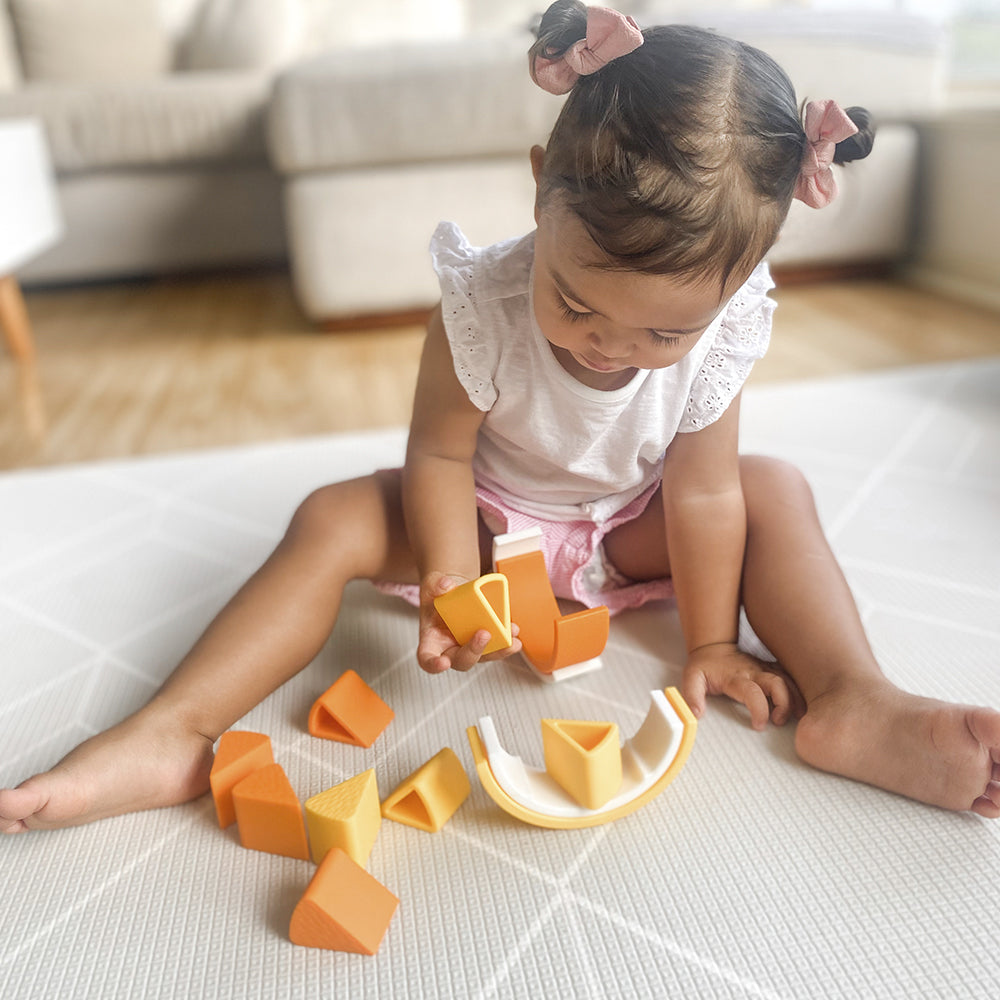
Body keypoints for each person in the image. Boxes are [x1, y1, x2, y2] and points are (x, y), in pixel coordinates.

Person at [3, 1, 998, 834]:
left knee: (773, 489)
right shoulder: (480, 303)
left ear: (732, 289)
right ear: (539, 188)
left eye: (661, 335)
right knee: (328, 516)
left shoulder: (728, 328)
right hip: (487, 508)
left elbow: (700, 494)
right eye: (575, 302)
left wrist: (708, 644)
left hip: (630, 522)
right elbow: (437, 452)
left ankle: (855, 698)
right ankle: (172, 729)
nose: (608, 346)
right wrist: (451, 576)